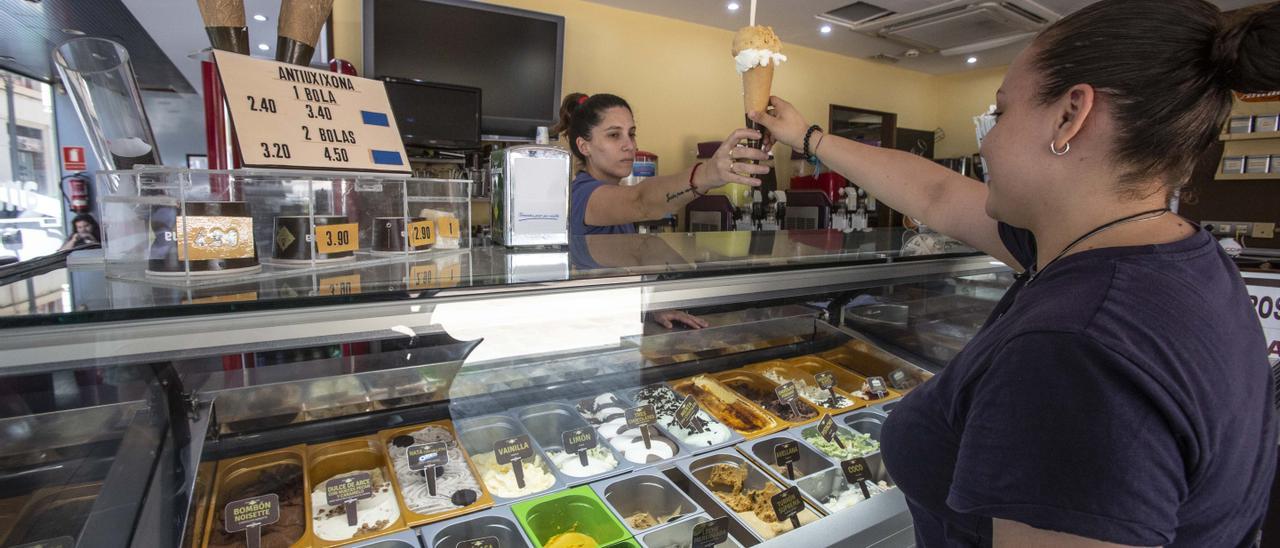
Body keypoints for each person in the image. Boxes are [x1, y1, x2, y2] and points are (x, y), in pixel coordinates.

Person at [751, 0, 1278, 546]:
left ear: (1071, 115)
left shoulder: (1073, 352)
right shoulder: (1169, 254)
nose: (987, 140)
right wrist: (809, 137)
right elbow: (936, 193)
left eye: (1000, 113)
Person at [551, 93, 768, 236]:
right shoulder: (580, 195)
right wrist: (706, 173)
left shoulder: (615, 199)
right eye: (614, 135)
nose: (630, 145)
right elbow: (641, 201)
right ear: (584, 146)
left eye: (632, 134)